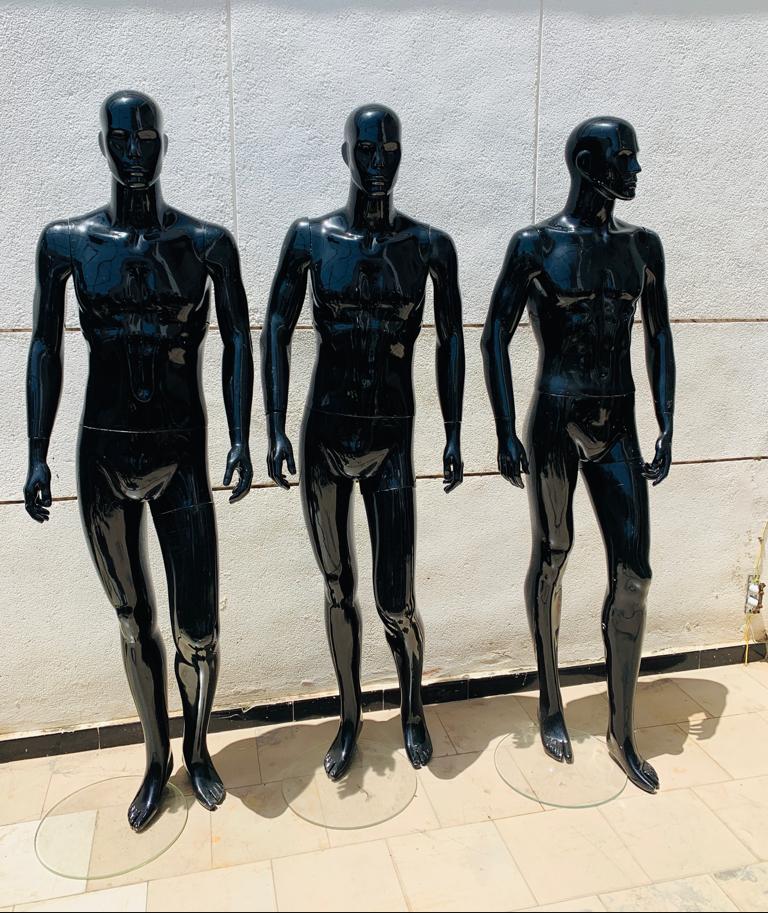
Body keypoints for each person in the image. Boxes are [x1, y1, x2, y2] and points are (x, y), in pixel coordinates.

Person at [24, 90, 254, 829]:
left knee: (199, 630)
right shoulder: (67, 243)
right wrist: (35, 452)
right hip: (103, 456)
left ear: (164, 145)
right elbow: (45, 346)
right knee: (133, 619)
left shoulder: (205, 245)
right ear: (102, 145)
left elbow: (239, 339)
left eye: (146, 137)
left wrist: (242, 437)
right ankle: (156, 760)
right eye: (120, 138)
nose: (133, 150)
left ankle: (197, 747)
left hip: (181, 453)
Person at [261, 104, 465, 779]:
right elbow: (275, 329)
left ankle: (411, 707)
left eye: (390, 149)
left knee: (396, 599)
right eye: (367, 150)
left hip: (391, 439)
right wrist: (271, 426)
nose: (379, 162)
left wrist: (455, 432)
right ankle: (349, 716)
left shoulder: (429, 246)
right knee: (336, 585)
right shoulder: (311, 239)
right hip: (323, 434)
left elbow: (453, 341)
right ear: (345, 154)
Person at [482, 116, 675, 793]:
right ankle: (551, 699)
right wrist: (504, 429)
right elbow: (494, 334)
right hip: (557, 419)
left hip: (618, 419)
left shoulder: (642, 247)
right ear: (590, 164)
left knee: (635, 571)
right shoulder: (536, 245)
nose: (636, 170)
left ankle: (623, 732)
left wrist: (667, 421)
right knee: (554, 554)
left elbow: (659, 335)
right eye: (626, 158)